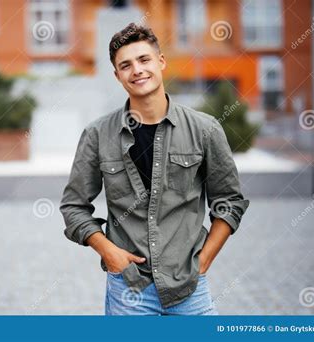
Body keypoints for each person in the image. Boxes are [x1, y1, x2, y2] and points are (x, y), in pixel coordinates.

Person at [59, 23, 249, 315]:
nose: (137, 70)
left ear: (160, 61)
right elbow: (73, 206)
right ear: (117, 75)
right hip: (129, 289)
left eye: (144, 59)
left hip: (189, 286)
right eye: (126, 65)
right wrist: (108, 252)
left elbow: (229, 201)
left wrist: (203, 261)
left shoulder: (204, 129)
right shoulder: (97, 134)